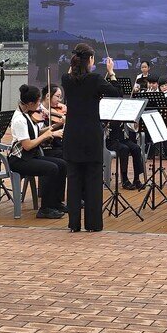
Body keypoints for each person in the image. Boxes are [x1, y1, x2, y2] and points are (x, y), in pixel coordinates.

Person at [61, 42, 119, 232]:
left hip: (72, 134)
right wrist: (111, 72)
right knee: (93, 180)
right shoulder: (95, 79)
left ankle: (74, 224)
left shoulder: (66, 79)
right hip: (91, 135)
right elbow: (117, 93)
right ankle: (93, 224)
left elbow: (73, 74)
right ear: (91, 60)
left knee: (74, 180)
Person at [10, 85, 68, 218]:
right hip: (20, 160)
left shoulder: (28, 115)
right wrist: (45, 136)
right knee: (51, 168)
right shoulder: (19, 119)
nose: (39, 105)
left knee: (62, 164)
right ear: (30, 103)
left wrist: (53, 129)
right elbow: (27, 145)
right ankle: (45, 209)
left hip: (30, 156)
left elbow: (37, 132)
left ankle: (56, 203)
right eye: (37, 102)